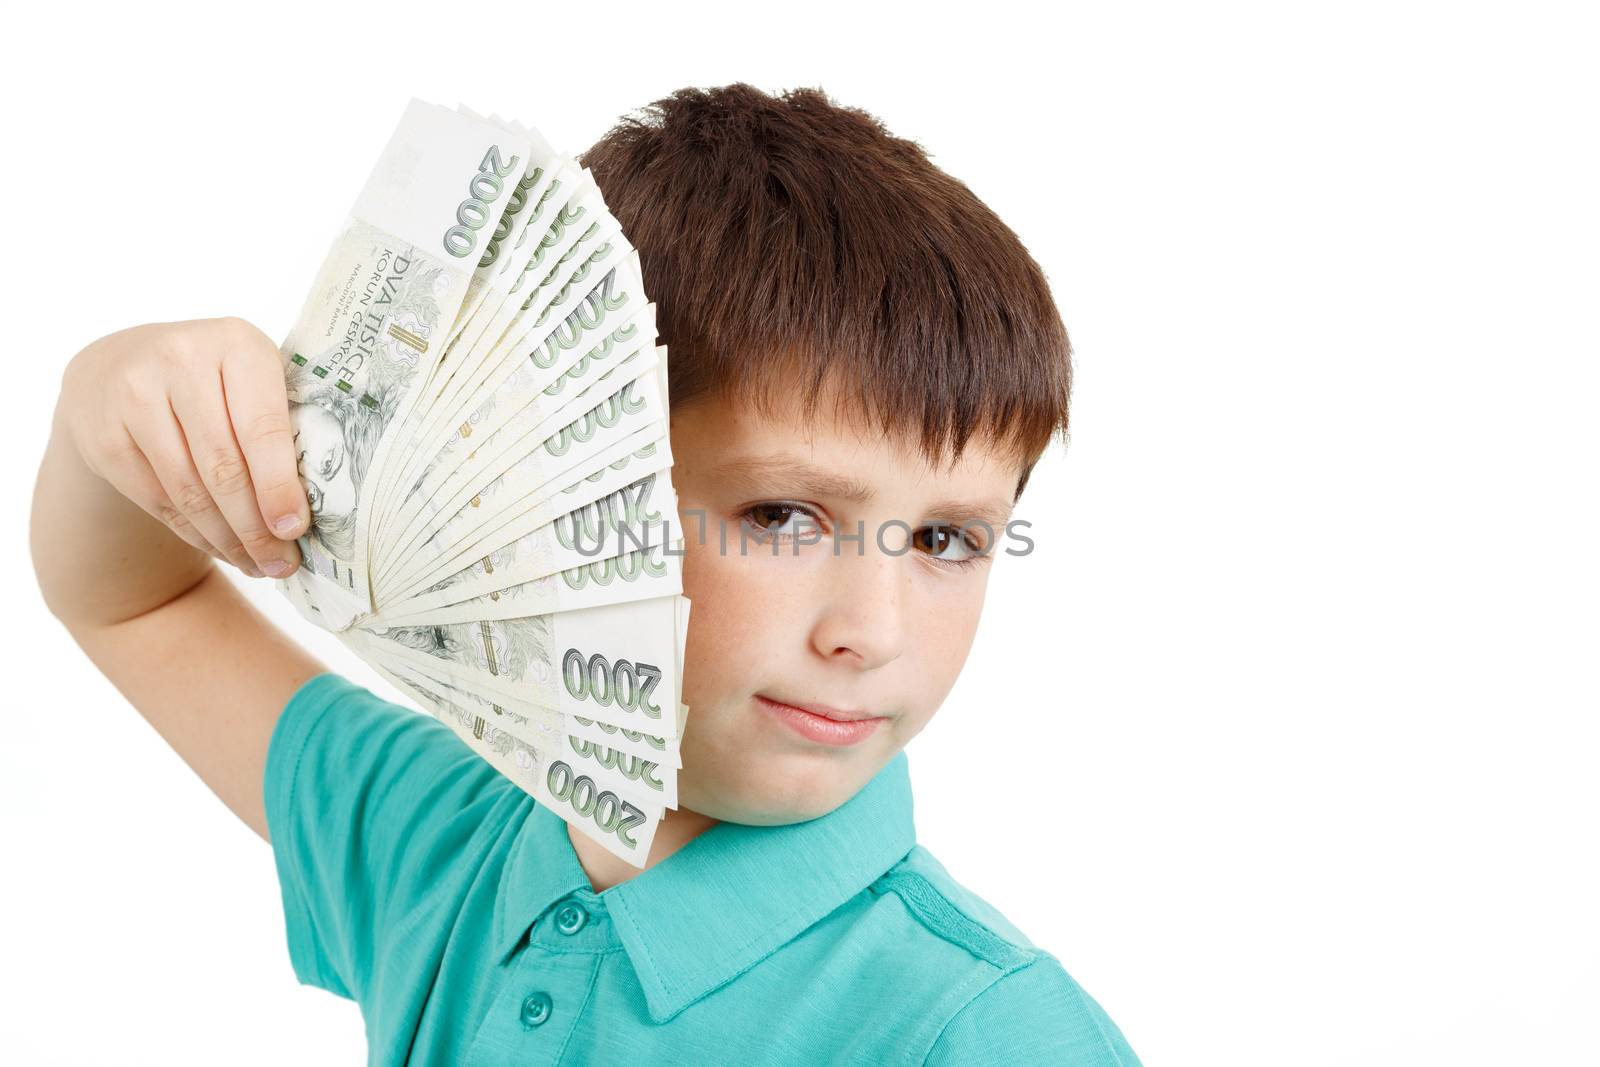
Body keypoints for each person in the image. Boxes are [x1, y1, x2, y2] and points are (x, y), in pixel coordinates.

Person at [30, 83, 1142, 1064]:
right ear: (551, 488)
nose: (873, 629)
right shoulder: (438, 835)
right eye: (783, 515)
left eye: (946, 540)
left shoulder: (990, 1031)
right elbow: (135, 596)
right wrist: (98, 410)